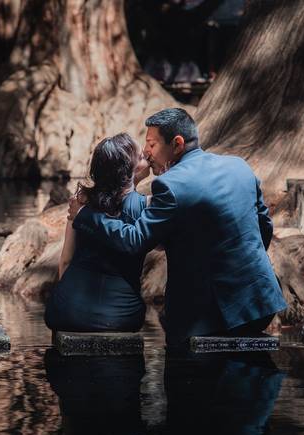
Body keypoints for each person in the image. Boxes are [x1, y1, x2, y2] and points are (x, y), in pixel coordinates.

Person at [70, 108, 287, 348]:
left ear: (177, 144)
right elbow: (264, 228)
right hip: (261, 305)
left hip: (207, 318)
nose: (146, 152)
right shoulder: (239, 167)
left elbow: (134, 240)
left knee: (173, 341)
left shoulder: (169, 185)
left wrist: (84, 216)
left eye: (151, 144)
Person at [45, 134, 149, 333]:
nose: (147, 158)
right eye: (142, 157)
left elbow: (65, 260)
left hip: (63, 312)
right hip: (121, 317)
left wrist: (72, 304)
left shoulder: (80, 202)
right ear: (129, 169)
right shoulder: (145, 207)